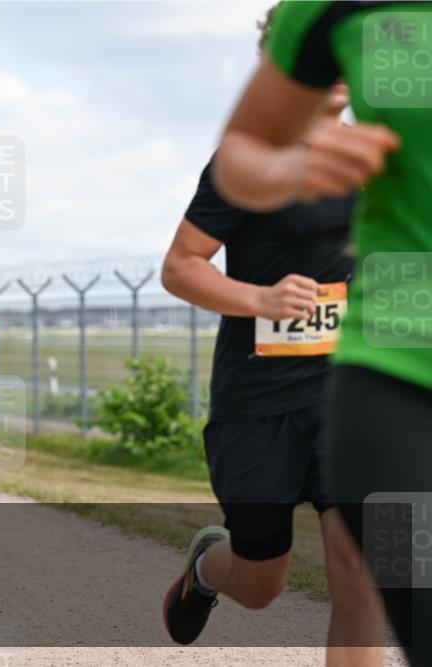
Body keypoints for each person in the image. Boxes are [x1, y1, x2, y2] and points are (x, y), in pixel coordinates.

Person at [212, 2, 431, 665]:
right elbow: (244, 151)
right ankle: (209, 566)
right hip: (388, 376)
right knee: (381, 582)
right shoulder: (350, 10)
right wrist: (295, 174)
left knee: (361, 571)